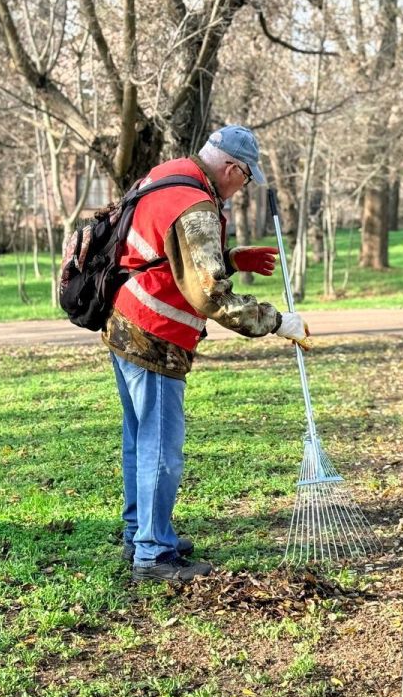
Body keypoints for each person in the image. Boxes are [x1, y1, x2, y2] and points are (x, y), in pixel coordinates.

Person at [102, 124, 310, 583]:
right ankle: (153, 555)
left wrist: (231, 256)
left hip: (124, 322)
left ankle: (142, 531)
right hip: (154, 335)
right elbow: (210, 295)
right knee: (161, 448)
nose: (243, 188)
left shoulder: (167, 175)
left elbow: (165, 253)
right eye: (245, 178)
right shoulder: (195, 205)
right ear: (233, 168)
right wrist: (276, 321)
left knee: (139, 439)